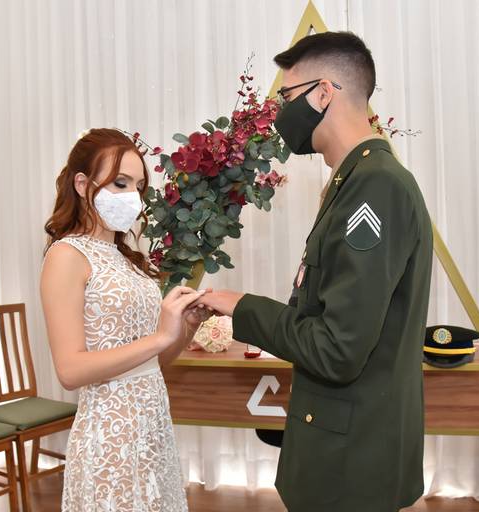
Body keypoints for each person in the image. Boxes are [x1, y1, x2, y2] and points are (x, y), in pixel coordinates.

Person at [196, 32, 433, 512]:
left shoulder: (375, 187)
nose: (282, 113)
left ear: (324, 93)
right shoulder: (357, 179)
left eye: (287, 96)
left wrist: (242, 308)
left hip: (351, 462)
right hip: (346, 448)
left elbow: (336, 349)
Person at [40, 128, 209, 511]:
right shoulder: (66, 256)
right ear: (82, 184)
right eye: (120, 183)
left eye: (138, 186)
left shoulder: (128, 259)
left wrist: (185, 328)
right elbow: (70, 370)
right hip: (110, 438)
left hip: (153, 430)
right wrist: (160, 337)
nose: (132, 195)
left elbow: (153, 361)